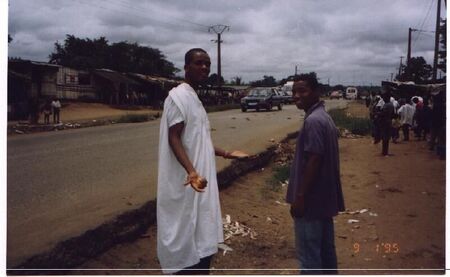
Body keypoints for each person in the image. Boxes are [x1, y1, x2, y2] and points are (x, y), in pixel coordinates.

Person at [157, 48, 248, 274]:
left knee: (201, 242)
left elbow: (198, 141)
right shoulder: (177, 97)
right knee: (184, 241)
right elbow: (174, 137)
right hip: (187, 181)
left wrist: (226, 153)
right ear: (186, 67)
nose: (205, 68)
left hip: (198, 183)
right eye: (199, 63)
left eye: (207, 64)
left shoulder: (194, 98)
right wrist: (191, 171)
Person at [286, 75, 345, 274]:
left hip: (311, 202)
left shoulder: (313, 121)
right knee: (326, 254)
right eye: (294, 92)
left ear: (316, 92)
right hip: (323, 201)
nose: (296, 96)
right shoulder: (324, 117)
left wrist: (300, 197)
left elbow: (314, 159)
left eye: (302, 91)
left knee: (309, 259)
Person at [377, 92, 395, 156]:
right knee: (387, 138)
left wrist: (377, 113)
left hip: (384, 122)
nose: (383, 99)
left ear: (387, 98)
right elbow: (393, 114)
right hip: (389, 121)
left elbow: (382, 114)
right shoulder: (391, 105)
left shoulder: (386, 105)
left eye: (384, 97)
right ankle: (385, 151)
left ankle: (384, 152)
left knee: (384, 137)